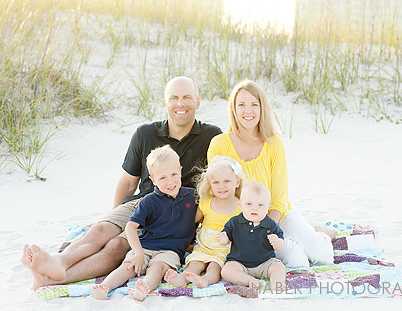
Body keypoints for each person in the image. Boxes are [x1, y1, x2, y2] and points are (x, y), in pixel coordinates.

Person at [21, 76, 222, 290]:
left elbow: (220, 185)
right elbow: (128, 182)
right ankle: (58, 262)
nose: (180, 104)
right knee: (101, 231)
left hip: (177, 214)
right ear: (166, 103)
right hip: (142, 202)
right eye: (174, 98)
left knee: (117, 246)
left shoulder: (212, 137)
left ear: (198, 102)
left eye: (187, 97)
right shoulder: (146, 134)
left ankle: (52, 280)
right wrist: (111, 214)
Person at [207, 79, 335, 268]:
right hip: (242, 223)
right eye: (241, 105)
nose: (247, 111)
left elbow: (280, 197)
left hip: (275, 216)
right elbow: (216, 191)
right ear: (233, 109)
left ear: (262, 108)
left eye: (254, 105)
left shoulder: (274, 144)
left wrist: (266, 227)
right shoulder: (219, 144)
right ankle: (306, 232)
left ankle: (320, 234)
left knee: (322, 255)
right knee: (296, 261)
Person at [93, 145, 197, 301]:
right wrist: (139, 252)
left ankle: (143, 287)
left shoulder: (192, 196)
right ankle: (105, 286)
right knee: (128, 266)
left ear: (181, 171)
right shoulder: (148, 201)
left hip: (170, 251)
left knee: (158, 268)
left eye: (174, 174)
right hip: (145, 245)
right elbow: (130, 227)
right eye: (162, 178)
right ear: (153, 180)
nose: (170, 181)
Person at [164, 156, 245, 288]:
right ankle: (182, 279)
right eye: (216, 182)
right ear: (210, 185)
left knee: (215, 267)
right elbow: (190, 222)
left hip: (224, 250)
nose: (221, 186)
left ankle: (205, 281)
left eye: (227, 181)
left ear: (237, 182)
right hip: (203, 247)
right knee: (195, 264)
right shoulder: (206, 202)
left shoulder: (241, 206)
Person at [217, 181, 286, 292]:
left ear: (268, 207)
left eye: (260, 205)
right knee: (226, 271)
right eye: (249, 204)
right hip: (239, 263)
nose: (254, 208)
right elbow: (226, 235)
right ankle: (249, 280)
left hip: (265, 263)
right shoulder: (235, 222)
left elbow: (281, 243)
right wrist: (224, 239)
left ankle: (277, 283)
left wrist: (277, 242)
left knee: (279, 267)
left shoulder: (270, 224)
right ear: (241, 206)